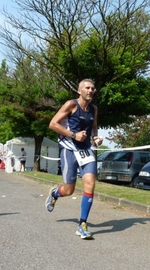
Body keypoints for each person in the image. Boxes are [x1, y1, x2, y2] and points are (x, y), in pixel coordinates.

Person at [45, 78, 103, 239]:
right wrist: (73, 135)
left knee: (90, 184)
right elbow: (53, 124)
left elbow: (94, 128)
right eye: (87, 88)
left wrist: (96, 138)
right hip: (69, 148)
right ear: (79, 90)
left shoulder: (94, 109)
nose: (91, 90)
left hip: (86, 150)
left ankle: (82, 224)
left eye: (93, 88)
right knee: (69, 190)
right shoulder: (70, 105)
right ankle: (55, 194)